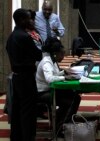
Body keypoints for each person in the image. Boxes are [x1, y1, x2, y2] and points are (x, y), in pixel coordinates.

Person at [6, 8, 42, 141]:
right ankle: (28, 137)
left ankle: (16, 137)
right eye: (28, 18)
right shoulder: (25, 37)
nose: (31, 20)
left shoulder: (12, 36)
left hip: (16, 76)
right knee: (28, 110)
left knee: (16, 110)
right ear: (21, 20)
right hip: (26, 77)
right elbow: (38, 55)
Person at [36, 37, 81, 135]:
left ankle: (64, 123)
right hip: (42, 93)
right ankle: (59, 126)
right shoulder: (46, 62)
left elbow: (55, 74)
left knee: (75, 97)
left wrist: (63, 72)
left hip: (50, 89)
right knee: (68, 101)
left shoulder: (53, 61)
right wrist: (65, 78)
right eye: (62, 54)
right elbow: (49, 79)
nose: (63, 57)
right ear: (55, 53)